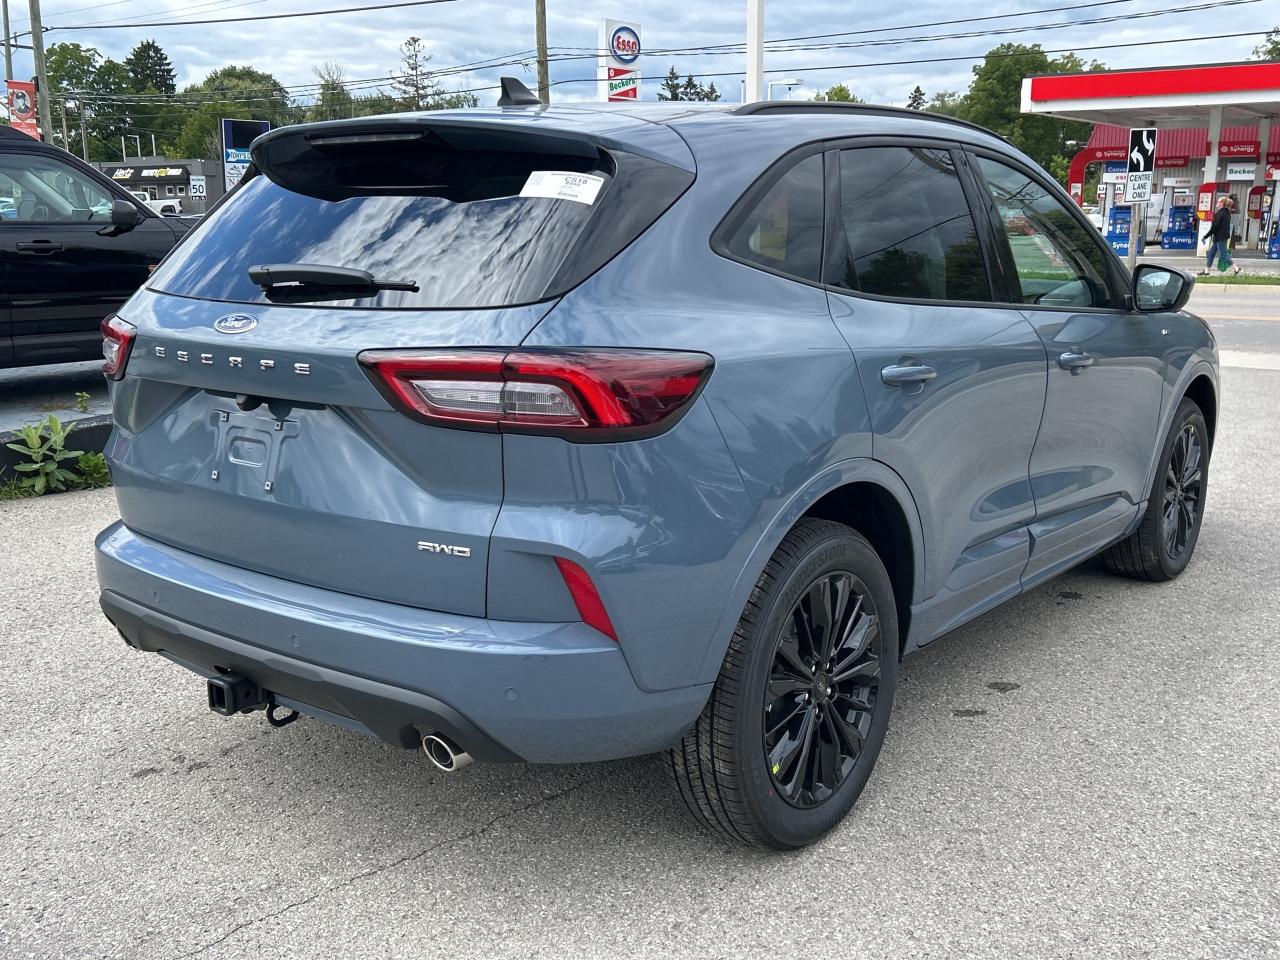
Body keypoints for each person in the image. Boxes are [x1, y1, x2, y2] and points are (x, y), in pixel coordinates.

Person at [1201, 195, 1242, 276]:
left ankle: (1236, 268)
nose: (1217, 203)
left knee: (1223, 255)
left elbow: (1215, 227)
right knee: (1211, 254)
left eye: (1218, 202)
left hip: (1220, 238)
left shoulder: (1220, 214)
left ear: (1222, 204)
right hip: (1220, 237)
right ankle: (1206, 271)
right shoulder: (1227, 213)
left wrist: (1205, 236)